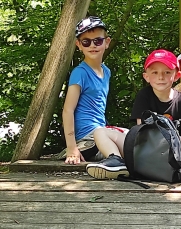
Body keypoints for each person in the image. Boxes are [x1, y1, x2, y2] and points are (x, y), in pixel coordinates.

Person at [63, 16, 127, 176]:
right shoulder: (80, 73)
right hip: (88, 139)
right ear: (78, 45)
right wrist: (72, 148)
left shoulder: (106, 71)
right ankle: (115, 161)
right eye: (86, 42)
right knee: (126, 141)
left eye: (97, 41)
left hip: (101, 132)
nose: (92, 45)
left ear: (107, 42)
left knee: (130, 135)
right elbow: (68, 110)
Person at [130, 49, 181, 170]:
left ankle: (151, 165)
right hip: (147, 145)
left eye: (167, 72)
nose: (161, 77)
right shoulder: (144, 95)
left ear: (176, 76)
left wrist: (176, 141)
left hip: (171, 149)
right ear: (146, 77)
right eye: (154, 72)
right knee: (103, 133)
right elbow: (141, 128)